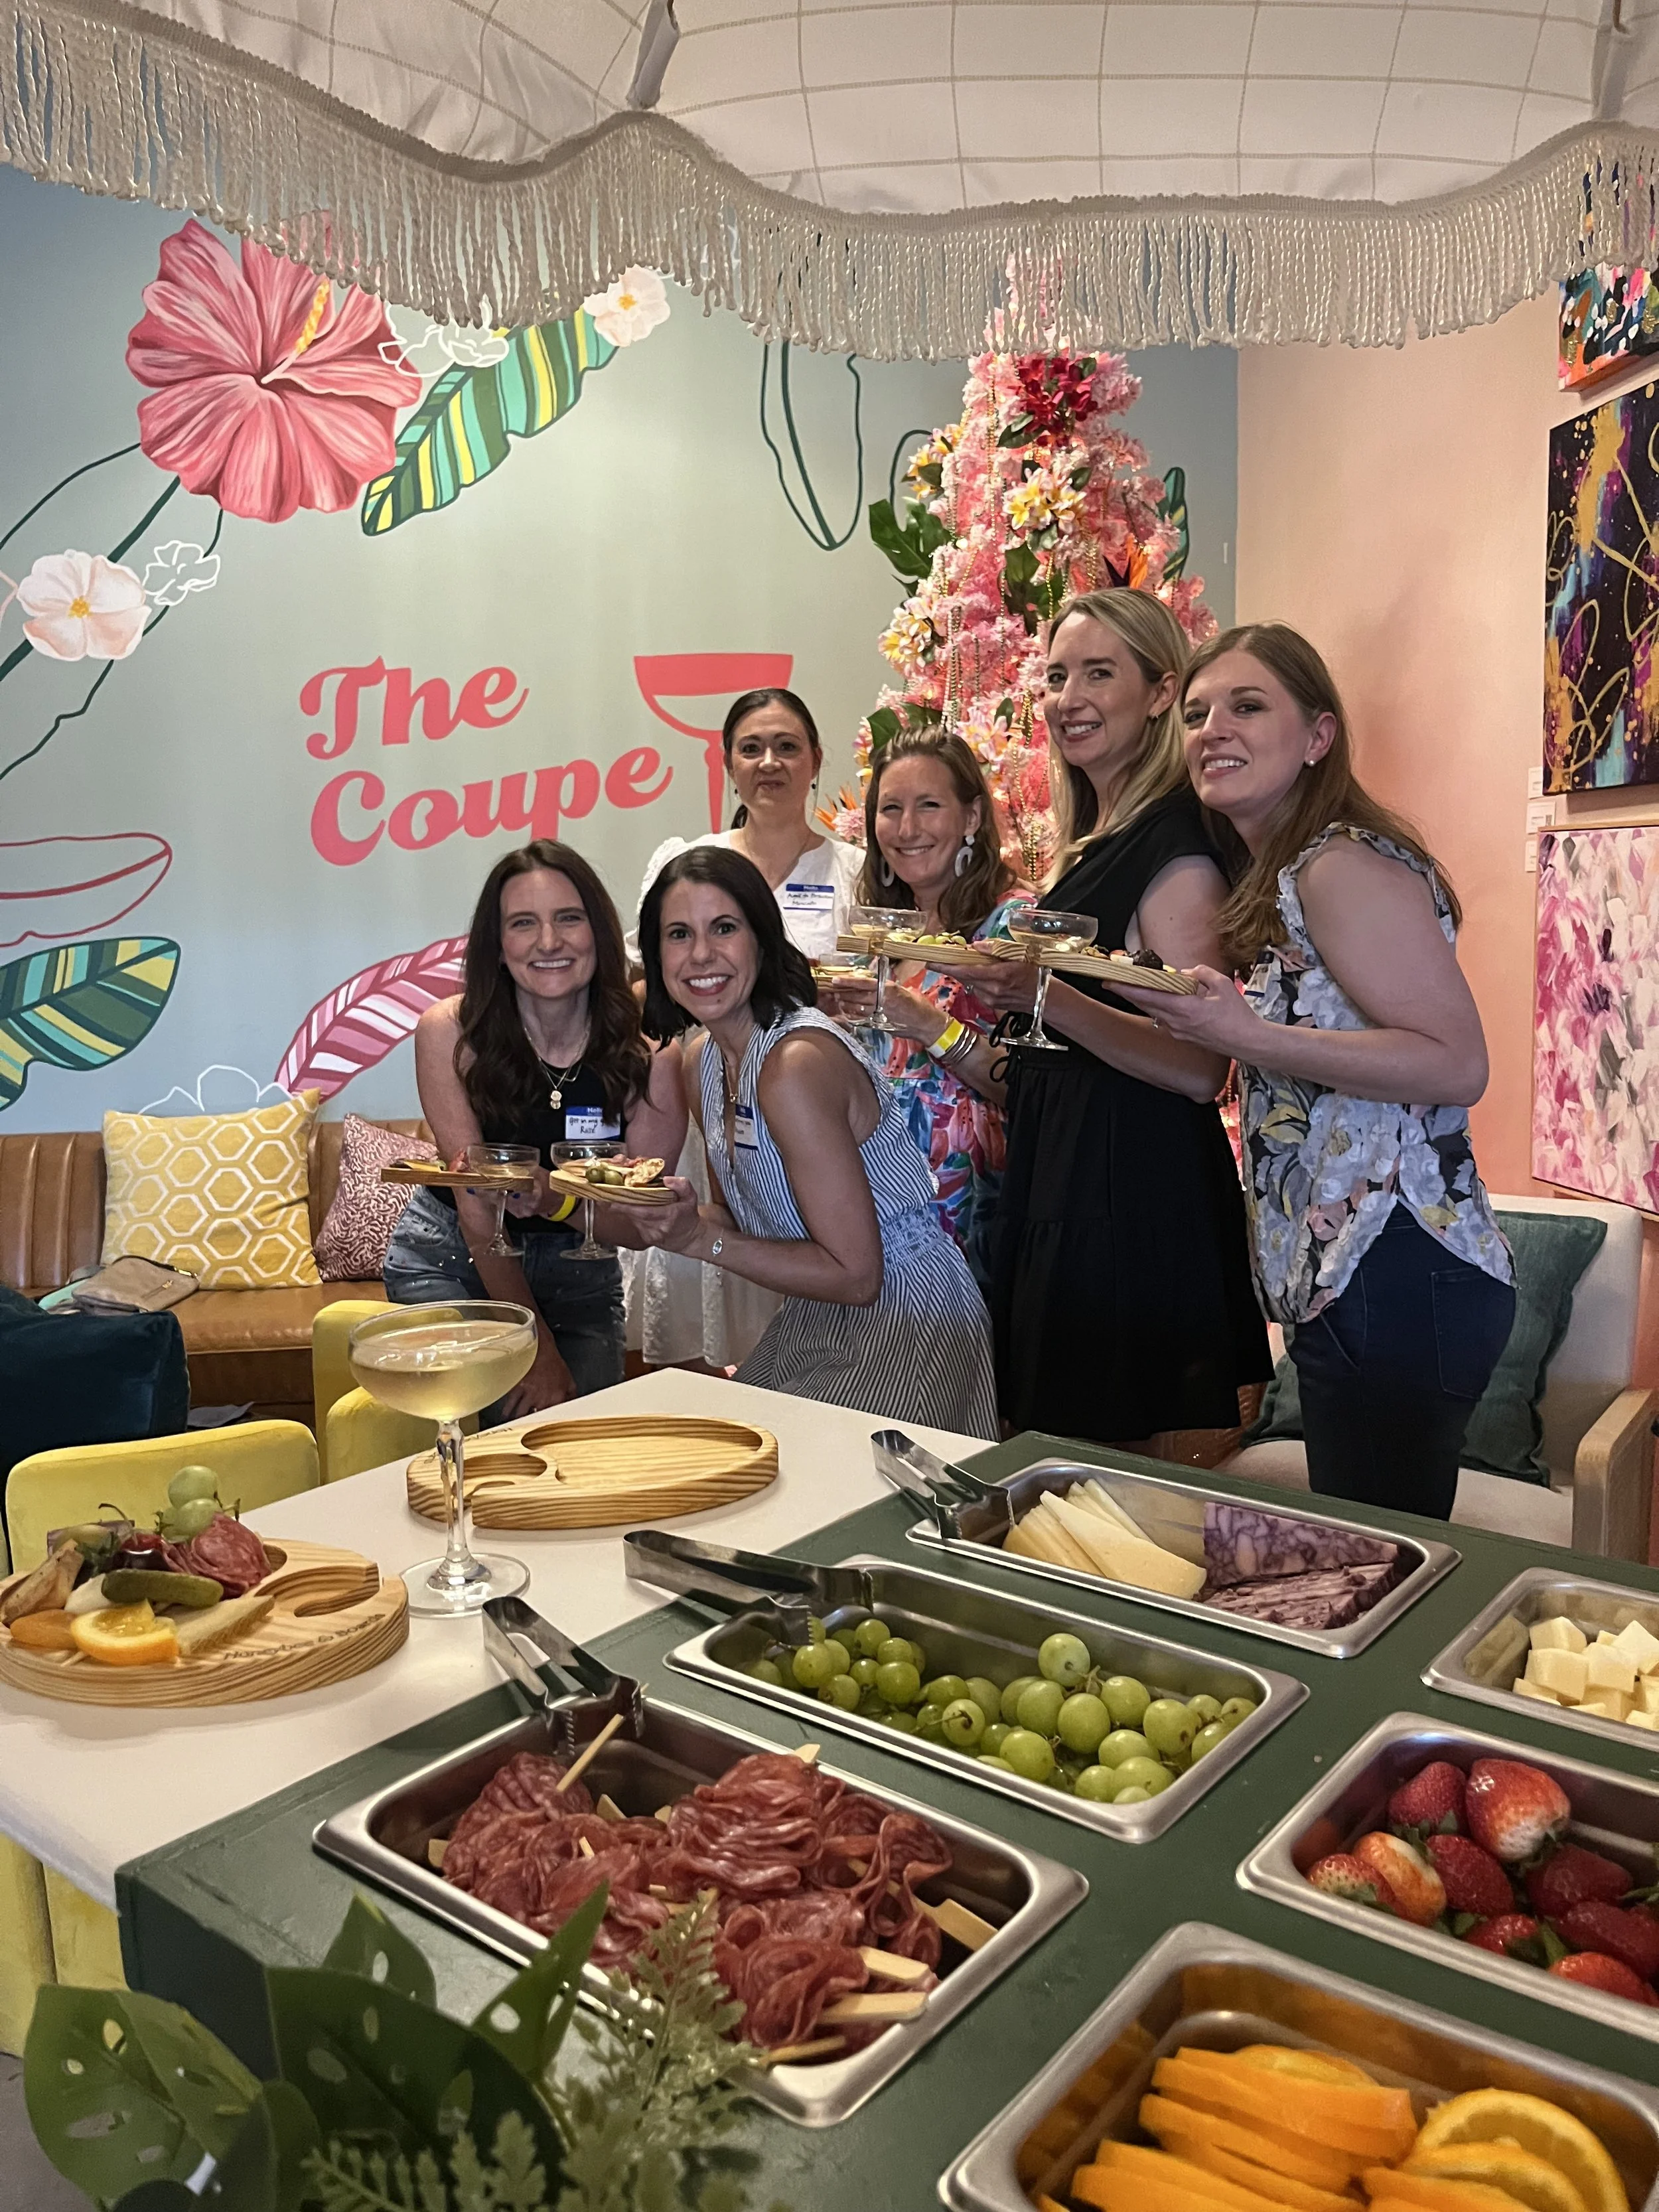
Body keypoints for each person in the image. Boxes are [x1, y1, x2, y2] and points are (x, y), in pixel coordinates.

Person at [1114, 622, 1514, 1521]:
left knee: (1384, 1577)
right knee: (1371, 1559)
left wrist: (1246, 1035)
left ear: (1318, 737)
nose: (1213, 728)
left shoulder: (1339, 865)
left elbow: (1457, 1062)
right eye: (1197, 713)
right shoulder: (1286, 873)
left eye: (1248, 706)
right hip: (1359, 1278)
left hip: (1398, 1268)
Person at [969, 587, 1271, 1453]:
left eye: (1100, 673)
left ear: (1162, 692)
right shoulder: (1102, 838)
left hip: (1126, 1190)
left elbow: (1198, 1067)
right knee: (1059, 1461)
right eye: (1058, 676)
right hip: (1068, 1178)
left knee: (1109, 1483)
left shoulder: (1172, 844)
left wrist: (1040, 994)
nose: (1070, 698)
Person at [628, 844, 999, 1438]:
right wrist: (665, 1214)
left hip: (909, 1319)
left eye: (724, 927)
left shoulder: (794, 1063)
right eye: (678, 934)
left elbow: (857, 1274)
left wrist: (698, 1240)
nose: (701, 954)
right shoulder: (701, 1061)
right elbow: (736, 1221)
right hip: (817, 1315)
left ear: (762, 939)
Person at [386, 840, 685, 1416]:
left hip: (581, 1272)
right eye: (524, 923)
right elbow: (478, 1213)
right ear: (499, 946)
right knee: (487, 1439)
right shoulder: (450, 1034)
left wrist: (555, 1197)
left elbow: (637, 1223)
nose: (549, 942)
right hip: (454, 1261)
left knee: (581, 1445)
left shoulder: (653, 1053)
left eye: (569, 919)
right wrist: (538, 1350)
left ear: (598, 932)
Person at [628, 686, 863, 1370]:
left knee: (816, 1292)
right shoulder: (689, 861)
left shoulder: (855, 870)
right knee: (715, 1325)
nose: (769, 762)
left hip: (811, 1111)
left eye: (786, 746)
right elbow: (651, 993)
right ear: (728, 763)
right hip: (715, 1112)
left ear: (815, 760)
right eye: (751, 748)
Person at [835, 728, 1027, 1285]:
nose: (908, 828)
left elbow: (1030, 1087)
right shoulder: (882, 935)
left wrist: (927, 1023)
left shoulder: (1011, 926)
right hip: (882, 1212)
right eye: (890, 809)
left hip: (973, 1216)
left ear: (971, 817)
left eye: (929, 806)